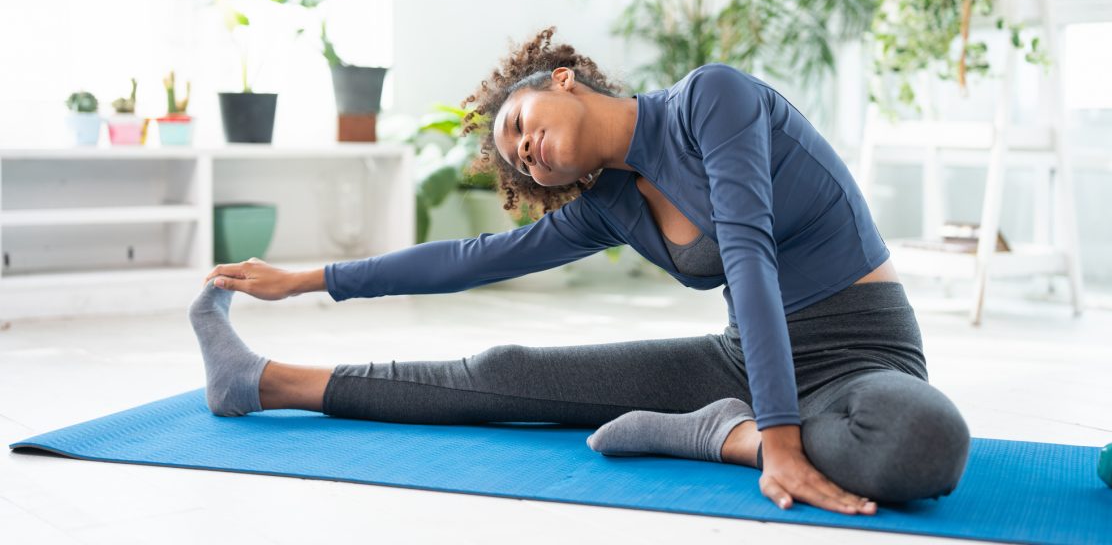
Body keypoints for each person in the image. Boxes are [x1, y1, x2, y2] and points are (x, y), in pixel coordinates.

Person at [189, 26, 970, 517]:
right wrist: (309, 280)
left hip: (860, 354)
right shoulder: (611, 205)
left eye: (521, 126)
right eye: (517, 156)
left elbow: (751, 261)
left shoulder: (713, 100)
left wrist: (778, 439)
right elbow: (468, 260)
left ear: (561, 79)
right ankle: (259, 382)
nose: (524, 148)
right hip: (746, 359)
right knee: (506, 369)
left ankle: (722, 436)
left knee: (923, 442)